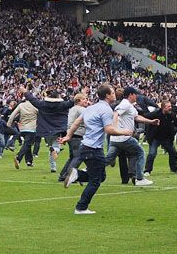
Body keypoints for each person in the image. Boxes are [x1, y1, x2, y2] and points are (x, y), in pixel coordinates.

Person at [58, 84, 135, 215]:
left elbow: (76, 123)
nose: (114, 94)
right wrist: (124, 132)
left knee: (101, 176)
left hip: (85, 146)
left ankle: (77, 175)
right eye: (112, 93)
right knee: (96, 180)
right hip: (93, 148)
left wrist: (68, 136)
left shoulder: (90, 108)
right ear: (107, 95)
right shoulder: (106, 111)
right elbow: (108, 129)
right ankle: (81, 207)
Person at [105, 87, 159, 186]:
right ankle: (139, 178)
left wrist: (151, 121)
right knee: (140, 153)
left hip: (115, 139)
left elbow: (136, 117)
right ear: (131, 95)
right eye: (135, 94)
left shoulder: (129, 106)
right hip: (124, 137)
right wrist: (115, 127)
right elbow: (116, 113)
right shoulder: (125, 104)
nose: (137, 96)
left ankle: (85, 171)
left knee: (108, 159)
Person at [25, 89, 73, 174]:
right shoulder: (63, 104)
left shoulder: (42, 104)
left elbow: (33, 100)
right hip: (58, 129)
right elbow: (73, 102)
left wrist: (25, 92)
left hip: (46, 130)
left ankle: (53, 167)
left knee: (51, 146)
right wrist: (82, 93)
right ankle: (54, 152)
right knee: (56, 146)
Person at [144, 100, 177, 176]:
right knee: (152, 154)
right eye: (168, 106)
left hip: (166, 139)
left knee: (173, 152)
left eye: (170, 106)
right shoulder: (155, 114)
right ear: (163, 108)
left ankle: (174, 169)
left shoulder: (171, 115)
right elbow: (145, 117)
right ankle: (147, 170)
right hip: (155, 138)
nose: (170, 108)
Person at [58, 93, 90, 182]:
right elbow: (89, 118)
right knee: (78, 157)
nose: (86, 101)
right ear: (79, 100)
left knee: (72, 157)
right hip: (78, 135)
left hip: (71, 134)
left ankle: (63, 175)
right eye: (84, 99)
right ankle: (69, 175)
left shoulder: (72, 109)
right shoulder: (81, 109)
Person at [8, 94, 39, 169]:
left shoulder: (21, 105)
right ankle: (18, 158)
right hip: (32, 128)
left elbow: (13, 115)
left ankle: (29, 161)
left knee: (27, 143)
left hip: (22, 128)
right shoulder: (35, 106)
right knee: (27, 144)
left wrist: (8, 124)